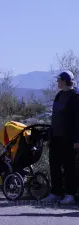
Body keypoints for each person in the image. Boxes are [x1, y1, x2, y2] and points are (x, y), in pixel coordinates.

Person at [41, 70, 79, 204]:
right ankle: (56, 192)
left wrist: (76, 139)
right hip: (56, 137)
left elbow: (77, 120)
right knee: (54, 165)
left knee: (69, 167)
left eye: (59, 80)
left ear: (65, 81)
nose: (57, 82)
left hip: (68, 138)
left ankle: (70, 194)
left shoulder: (75, 96)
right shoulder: (59, 95)